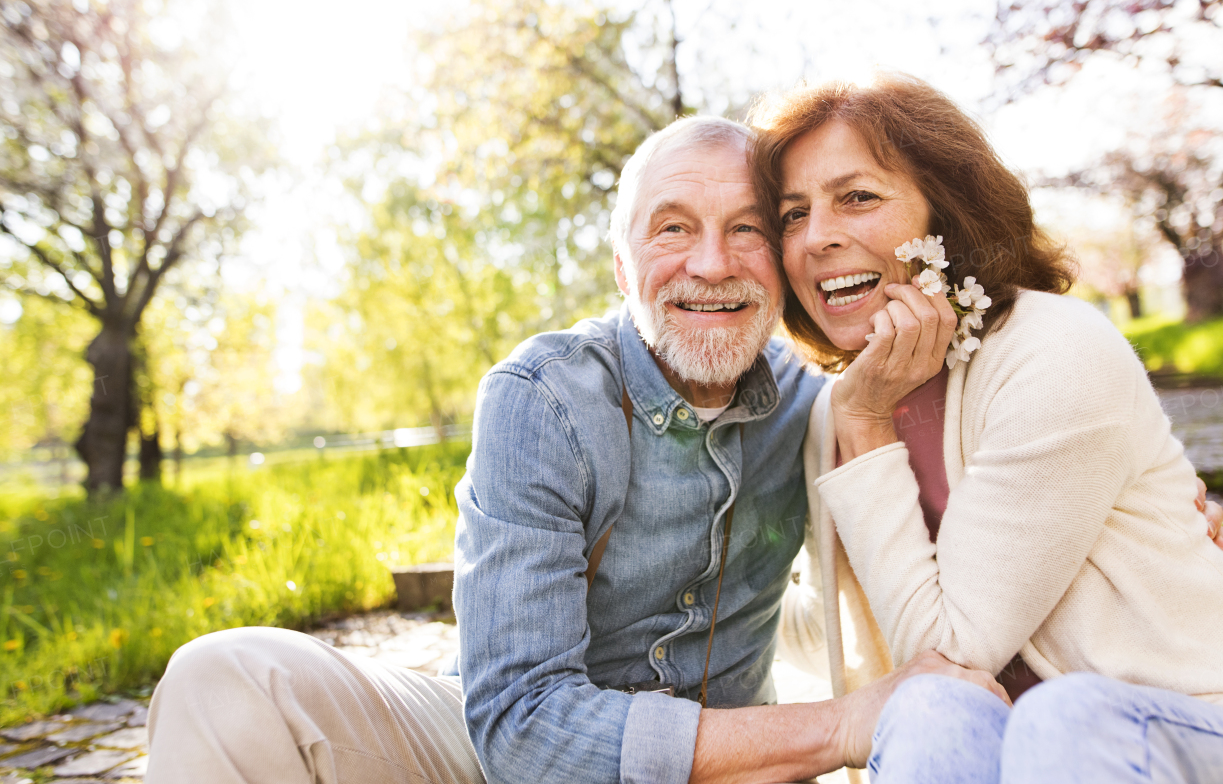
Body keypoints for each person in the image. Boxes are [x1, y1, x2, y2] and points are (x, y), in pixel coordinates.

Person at [142, 115, 1013, 784]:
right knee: (224, 678)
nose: (711, 264)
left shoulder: (816, 405)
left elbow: (857, 611)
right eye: (672, 228)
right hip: (499, 750)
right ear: (623, 265)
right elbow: (519, 719)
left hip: (729, 762)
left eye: (746, 228)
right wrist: (840, 725)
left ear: (784, 260)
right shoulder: (545, 398)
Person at [750, 73, 1223, 783]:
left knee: (1059, 714)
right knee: (928, 714)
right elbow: (853, 623)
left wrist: (869, 425)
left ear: (945, 213)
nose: (817, 237)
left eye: (859, 197)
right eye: (791, 214)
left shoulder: (1054, 352)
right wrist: (646, 607)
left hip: (1211, 727)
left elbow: (947, 652)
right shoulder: (836, 411)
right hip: (1014, 751)